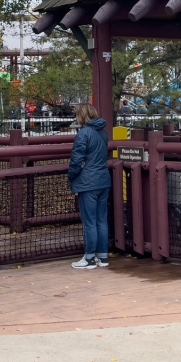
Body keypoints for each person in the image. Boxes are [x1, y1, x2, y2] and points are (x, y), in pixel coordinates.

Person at [68, 102, 111, 269]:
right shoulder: (103, 132)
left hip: (87, 182)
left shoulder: (84, 133)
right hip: (103, 179)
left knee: (89, 221)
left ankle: (90, 258)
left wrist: (71, 176)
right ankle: (103, 256)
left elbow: (76, 160)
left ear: (81, 115)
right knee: (101, 220)